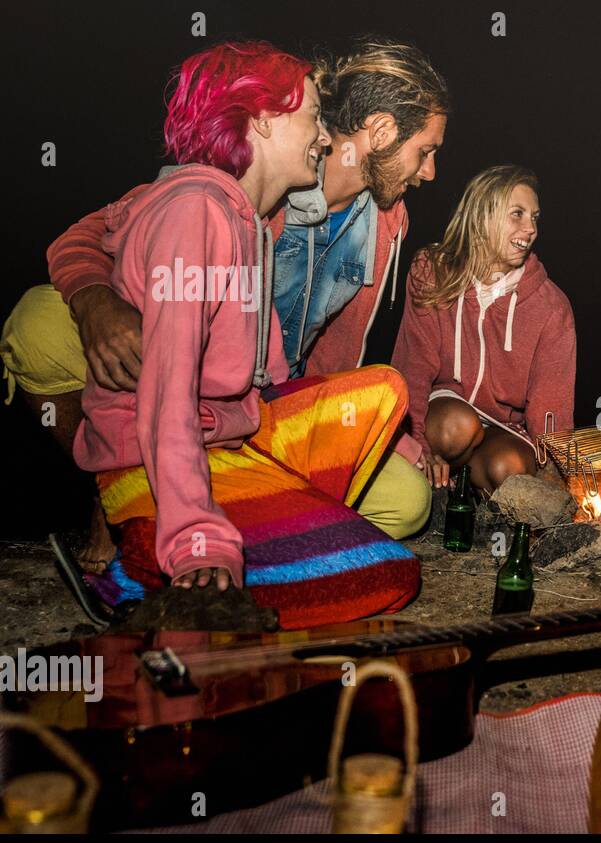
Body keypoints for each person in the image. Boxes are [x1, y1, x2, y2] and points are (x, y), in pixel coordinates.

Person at [2, 38, 451, 571]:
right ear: (379, 132)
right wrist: (96, 303)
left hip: (254, 401)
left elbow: (338, 358)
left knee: (406, 501)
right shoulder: (239, 186)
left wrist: (376, 433)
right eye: (426, 151)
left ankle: (213, 508)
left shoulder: (383, 222)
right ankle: (125, 489)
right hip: (168, 372)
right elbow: (86, 236)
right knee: (36, 321)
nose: (430, 173)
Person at [392, 165, 576, 492]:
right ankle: (434, 480)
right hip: (444, 410)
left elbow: (552, 410)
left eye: (534, 217)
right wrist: (416, 447)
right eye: (517, 214)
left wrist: (559, 479)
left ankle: (475, 497)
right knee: (457, 426)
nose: (530, 227)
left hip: (502, 426)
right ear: (480, 216)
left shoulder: (550, 307)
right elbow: (413, 370)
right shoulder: (433, 272)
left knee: (511, 468)